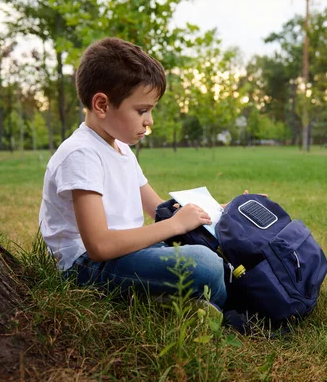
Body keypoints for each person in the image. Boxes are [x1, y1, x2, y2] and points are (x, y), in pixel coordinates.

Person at [38, 37, 226, 308]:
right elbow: (99, 246)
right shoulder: (80, 153)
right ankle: (225, 313)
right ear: (102, 105)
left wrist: (219, 211)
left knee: (205, 250)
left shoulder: (122, 149)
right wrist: (175, 225)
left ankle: (183, 302)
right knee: (204, 264)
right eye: (142, 110)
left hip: (126, 252)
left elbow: (159, 209)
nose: (149, 121)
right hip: (86, 267)